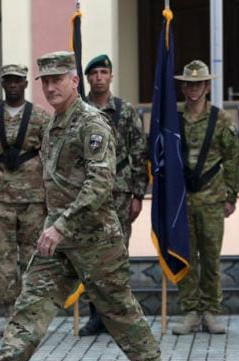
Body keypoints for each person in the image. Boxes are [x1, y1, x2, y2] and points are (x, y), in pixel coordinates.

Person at [0, 51, 168, 361]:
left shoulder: (91, 124)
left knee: (120, 314)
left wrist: (61, 224)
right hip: (58, 242)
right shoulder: (53, 125)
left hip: (96, 240)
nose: (50, 87)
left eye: (57, 79)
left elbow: (100, 182)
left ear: (74, 81)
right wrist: (56, 226)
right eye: (44, 81)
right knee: (30, 307)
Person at [78, 54, 149, 336]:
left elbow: (138, 152)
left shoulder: (125, 110)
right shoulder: (79, 111)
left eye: (103, 72)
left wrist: (137, 194)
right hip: (87, 194)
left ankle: (117, 316)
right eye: (93, 73)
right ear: (87, 79)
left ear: (111, 76)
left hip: (118, 193)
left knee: (117, 256)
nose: (98, 77)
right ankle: (96, 314)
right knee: (91, 257)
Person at [170, 60, 239, 335]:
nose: (193, 89)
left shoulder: (220, 118)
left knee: (211, 257)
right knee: (186, 256)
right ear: (183, 86)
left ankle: (211, 311)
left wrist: (231, 196)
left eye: (198, 84)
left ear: (207, 86)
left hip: (212, 198)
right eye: (189, 84)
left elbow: (233, 157)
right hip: (182, 200)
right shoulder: (174, 117)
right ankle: (190, 310)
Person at [0, 64, 50, 336]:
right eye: (8, 81)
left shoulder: (39, 117)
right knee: (4, 259)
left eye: (17, 81)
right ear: (3, 85)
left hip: (33, 199)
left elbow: (50, 157)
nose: (13, 85)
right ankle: (10, 314)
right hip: (2, 198)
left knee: (31, 258)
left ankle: (29, 315)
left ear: (26, 84)